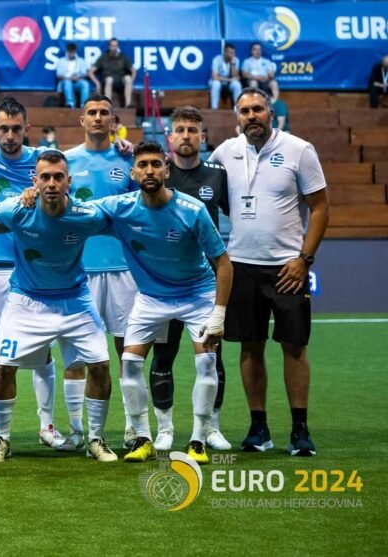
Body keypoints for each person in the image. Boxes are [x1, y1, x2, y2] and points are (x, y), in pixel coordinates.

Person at [93, 140, 233, 464]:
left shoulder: (192, 210)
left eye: (156, 164)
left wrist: (219, 314)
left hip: (197, 293)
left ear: (166, 171)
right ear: (133, 173)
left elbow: (224, 264)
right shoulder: (121, 208)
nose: (149, 171)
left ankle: (198, 440)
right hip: (152, 297)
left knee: (207, 362)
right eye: (142, 165)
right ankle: (143, 438)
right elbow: (79, 212)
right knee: (130, 362)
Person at [208, 88, 329, 457]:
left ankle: (300, 429)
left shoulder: (299, 149)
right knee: (250, 346)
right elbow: (200, 187)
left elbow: (320, 207)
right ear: (237, 116)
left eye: (258, 109)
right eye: (244, 111)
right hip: (241, 266)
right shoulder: (224, 152)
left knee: (295, 346)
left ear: (271, 112)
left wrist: (304, 259)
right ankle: (258, 428)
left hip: (287, 267)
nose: (251, 116)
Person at [0, 150, 118, 464]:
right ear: (35, 181)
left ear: (68, 181)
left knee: (100, 365)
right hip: (26, 301)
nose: (51, 183)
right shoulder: (19, 209)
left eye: (58, 177)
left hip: (75, 301)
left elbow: (122, 219)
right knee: (3, 367)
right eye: (45, 177)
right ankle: (2, 438)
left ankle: (96, 439)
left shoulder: (86, 215)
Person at [0, 99, 66, 451]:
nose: (10, 136)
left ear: (27, 128)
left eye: (16, 129)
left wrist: (122, 146)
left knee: (43, 352)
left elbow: (67, 183)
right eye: (3, 129)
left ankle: (47, 425)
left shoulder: (43, 161)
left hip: (36, 268)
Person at [148, 106, 232, 452]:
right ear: (170, 137)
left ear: (202, 137)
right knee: (163, 356)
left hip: (204, 286)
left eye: (192, 130)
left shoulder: (218, 175)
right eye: (180, 130)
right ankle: (164, 428)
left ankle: (211, 427)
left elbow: (240, 215)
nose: (186, 135)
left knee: (212, 356)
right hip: (164, 284)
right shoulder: (158, 174)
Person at [64, 93, 137, 450]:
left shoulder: (128, 160)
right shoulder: (66, 161)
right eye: (91, 112)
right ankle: (77, 431)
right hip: (79, 270)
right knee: (77, 355)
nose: (97, 117)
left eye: (103, 113)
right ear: (82, 120)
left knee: (129, 353)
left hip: (123, 268)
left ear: (113, 120)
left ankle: (133, 427)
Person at [89, 38, 135, 108]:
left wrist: (131, 81)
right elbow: (90, 72)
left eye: (116, 46)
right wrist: (97, 83)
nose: (114, 48)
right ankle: (108, 105)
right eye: (112, 46)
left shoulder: (122, 57)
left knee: (128, 78)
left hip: (120, 81)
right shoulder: (103, 57)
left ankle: (128, 105)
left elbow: (133, 71)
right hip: (108, 80)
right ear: (109, 46)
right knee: (109, 79)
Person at [56, 43, 91, 108]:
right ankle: (70, 104)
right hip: (65, 83)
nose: (71, 53)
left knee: (85, 83)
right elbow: (58, 75)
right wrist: (69, 78)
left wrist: (78, 77)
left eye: (73, 51)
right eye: (70, 52)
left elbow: (84, 73)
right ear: (67, 51)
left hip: (76, 82)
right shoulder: (61, 61)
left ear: (75, 51)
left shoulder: (80, 61)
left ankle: (84, 105)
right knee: (67, 82)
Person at [209, 44, 242, 111]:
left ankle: (238, 109)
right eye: (230, 52)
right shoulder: (217, 60)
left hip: (229, 83)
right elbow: (215, 77)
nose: (232, 55)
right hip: (218, 81)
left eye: (233, 53)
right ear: (225, 52)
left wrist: (233, 64)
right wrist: (229, 80)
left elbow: (236, 77)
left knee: (237, 85)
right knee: (216, 84)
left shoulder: (236, 60)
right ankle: (214, 109)